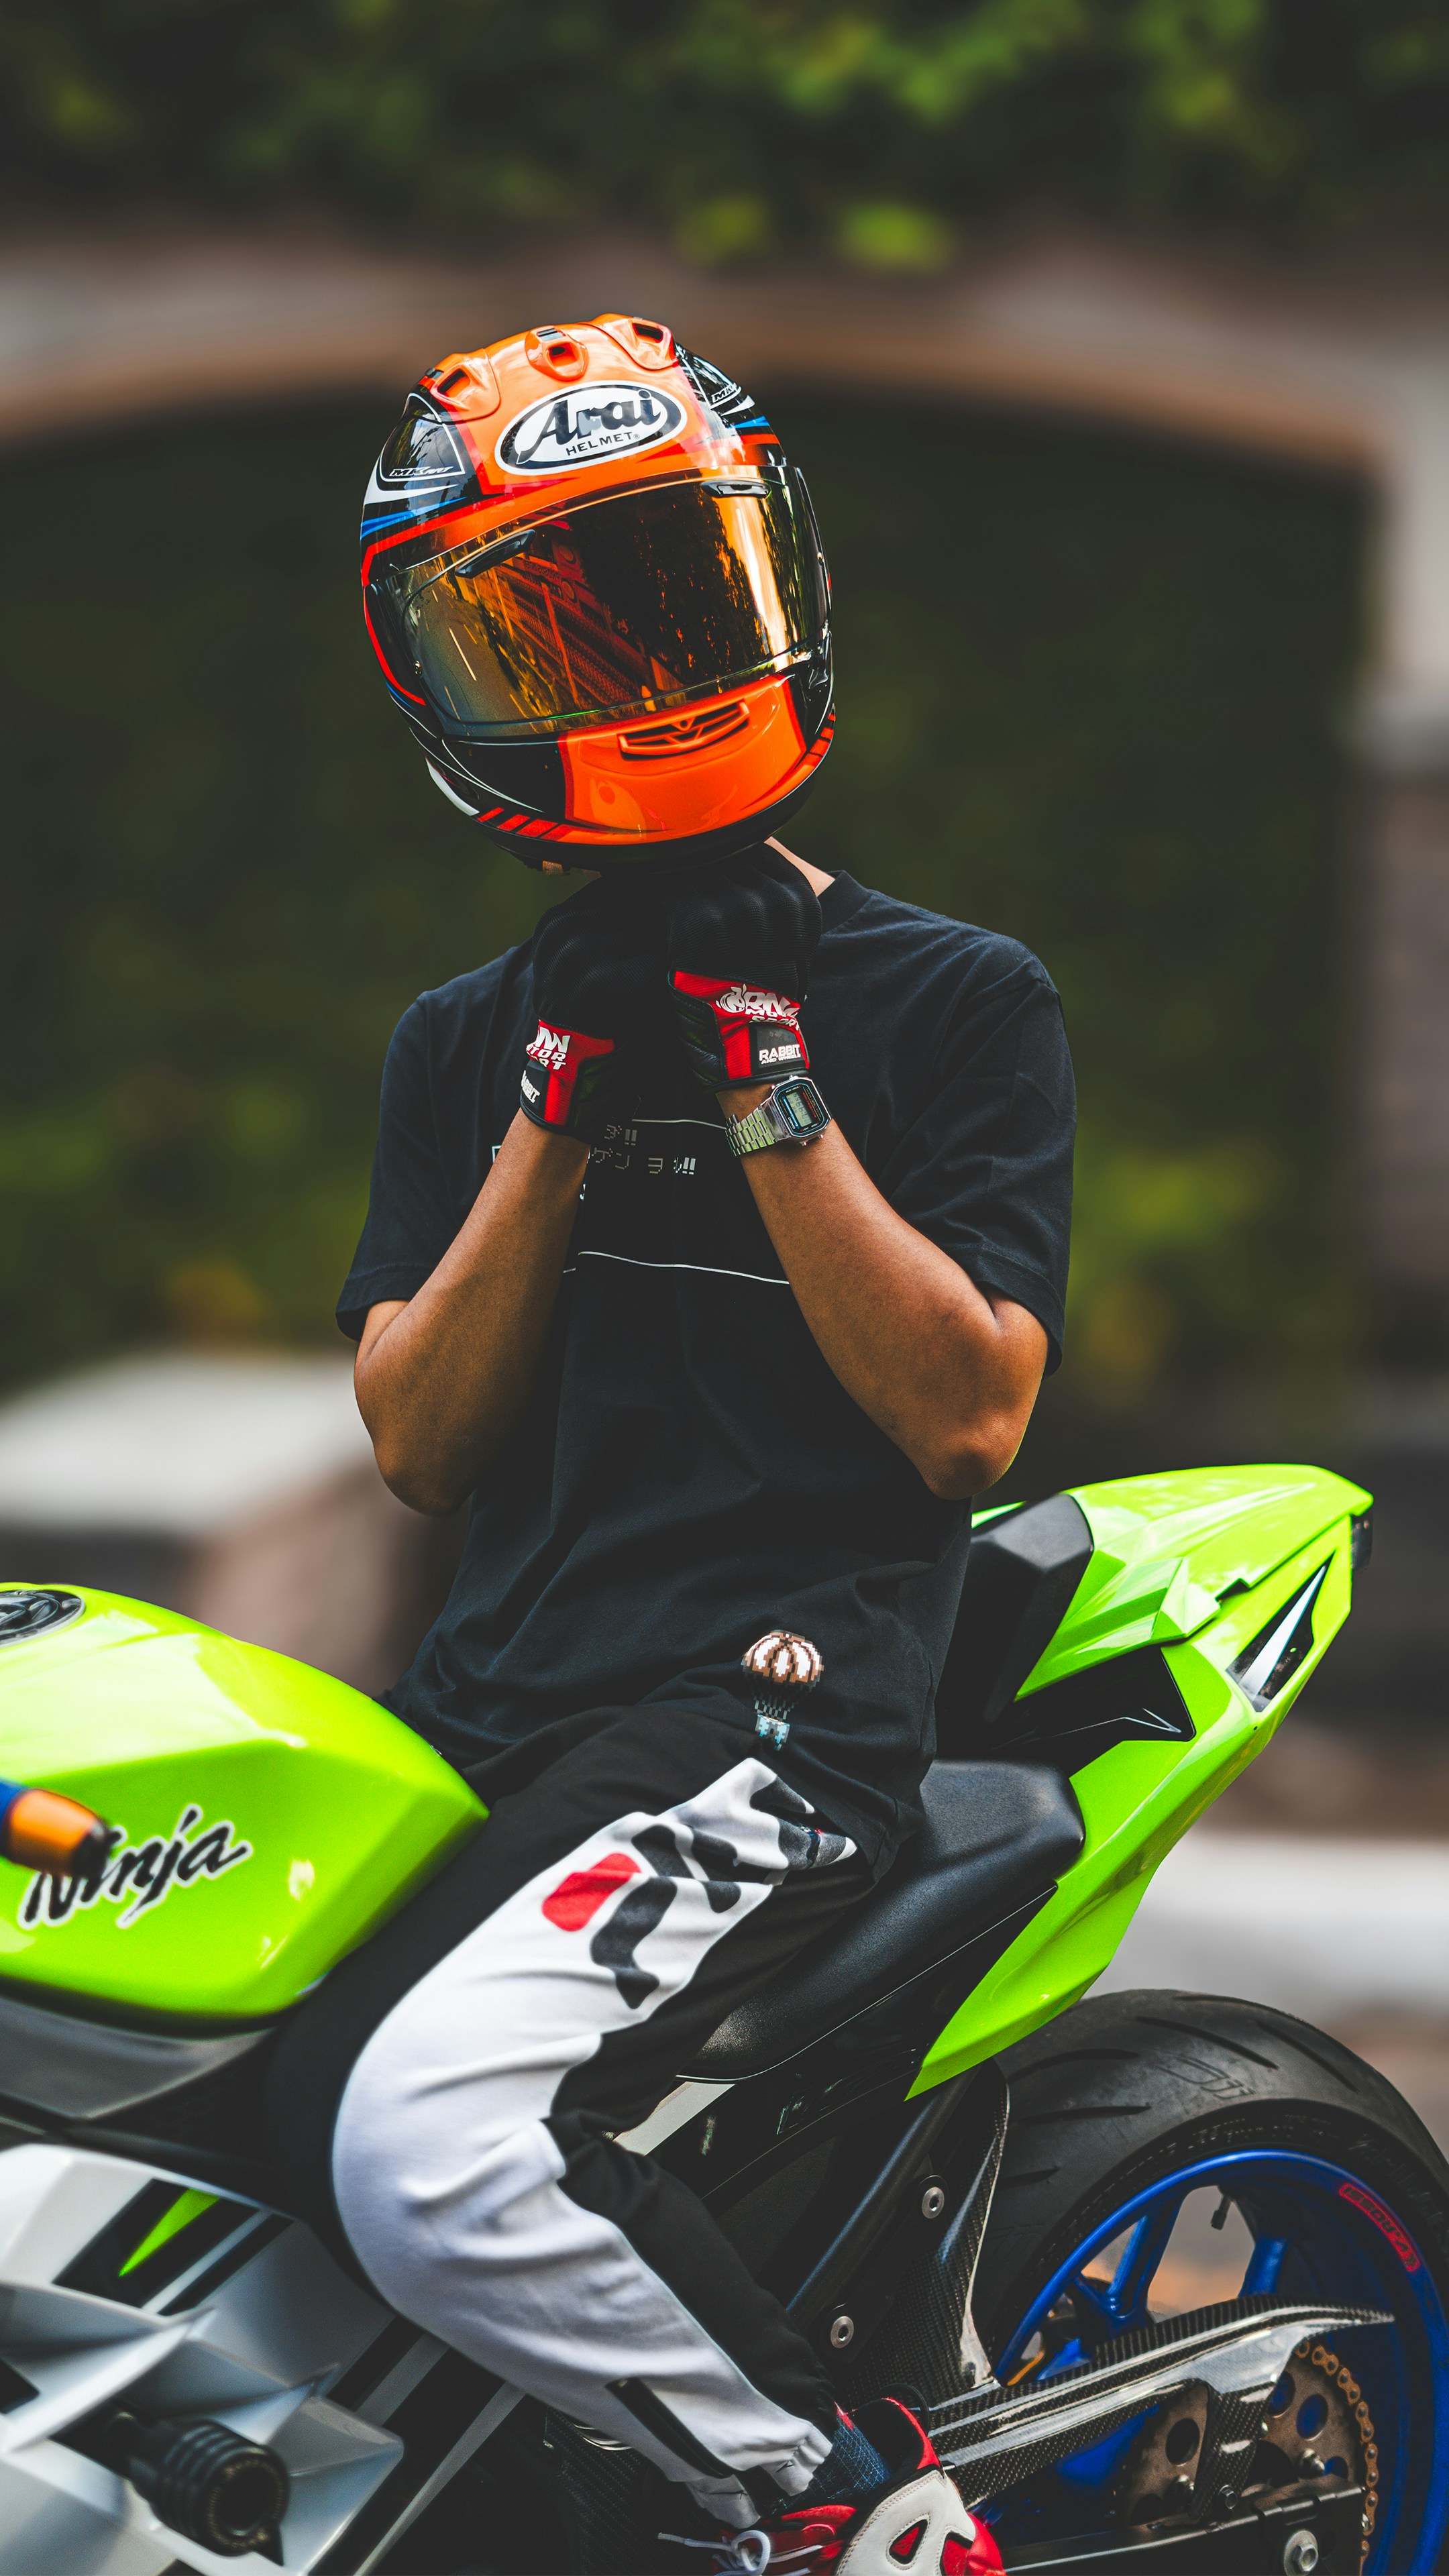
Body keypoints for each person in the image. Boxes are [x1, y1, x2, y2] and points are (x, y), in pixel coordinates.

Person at [264, 316, 1073, 2576]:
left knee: (423, 2147)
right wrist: (551, 1109)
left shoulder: (958, 1001)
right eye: (549, 622)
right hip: (497, 1708)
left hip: (774, 1714)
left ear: (769, 584)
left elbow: (968, 1419)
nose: (626, 671)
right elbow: (422, 1445)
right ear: (451, 677)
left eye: (665, 597)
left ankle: (835, 2499)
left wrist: (761, 1078)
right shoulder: (458, 1042)